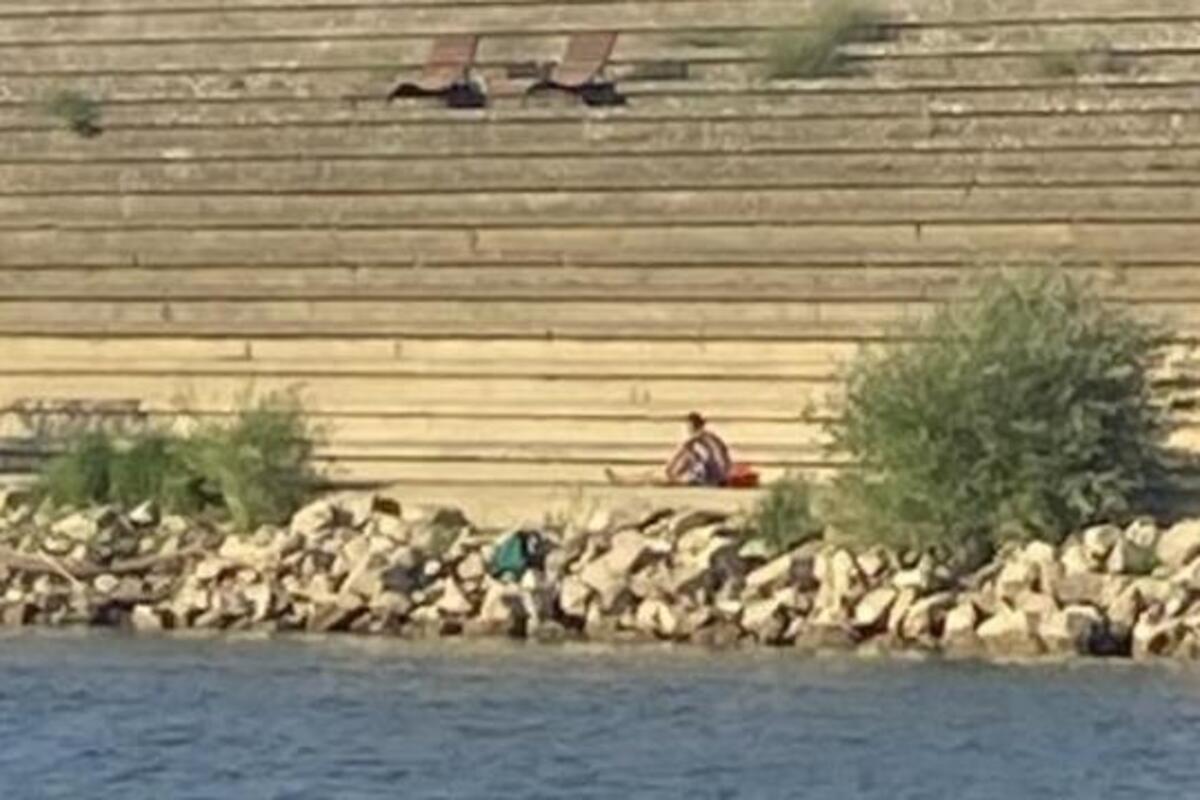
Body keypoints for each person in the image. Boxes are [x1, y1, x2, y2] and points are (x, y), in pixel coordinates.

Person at [606, 412, 732, 487]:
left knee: (652, 477)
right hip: (720, 477)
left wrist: (671, 474)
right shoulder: (713, 438)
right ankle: (625, 479)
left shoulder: (694, 442)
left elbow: (677, 463)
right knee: (654, 475)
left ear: (692, 427)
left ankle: (625, 480)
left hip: (705, 480)